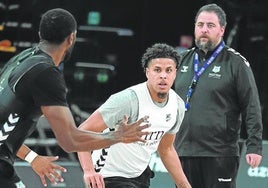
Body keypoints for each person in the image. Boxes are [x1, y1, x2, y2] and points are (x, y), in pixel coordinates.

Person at [0, 8, 150, 188]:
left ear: (40, 34)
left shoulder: (22, 58)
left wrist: (32, 158)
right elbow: (70, 140)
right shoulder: (45, 73)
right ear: (72, 38)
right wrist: (117, 136)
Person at [77, 43, 192, 188]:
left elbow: (166, 149)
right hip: (108, 175)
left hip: (139, 175)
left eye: (168, 70)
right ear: (147, 72)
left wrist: (183, 184)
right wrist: (88, 171)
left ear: (175, 73)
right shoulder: (128, 100)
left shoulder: (177, 106)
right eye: (157, 70)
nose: (163, 75)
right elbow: (82, 132)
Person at [174, 3, 263, 188]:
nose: (204, 30)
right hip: (183, 151)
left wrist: (254, 145)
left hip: (220, 154)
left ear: (222, 30)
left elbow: (251, 106)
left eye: (210, 25)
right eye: (200, 25)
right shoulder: (182, 60)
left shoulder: (236, 63)